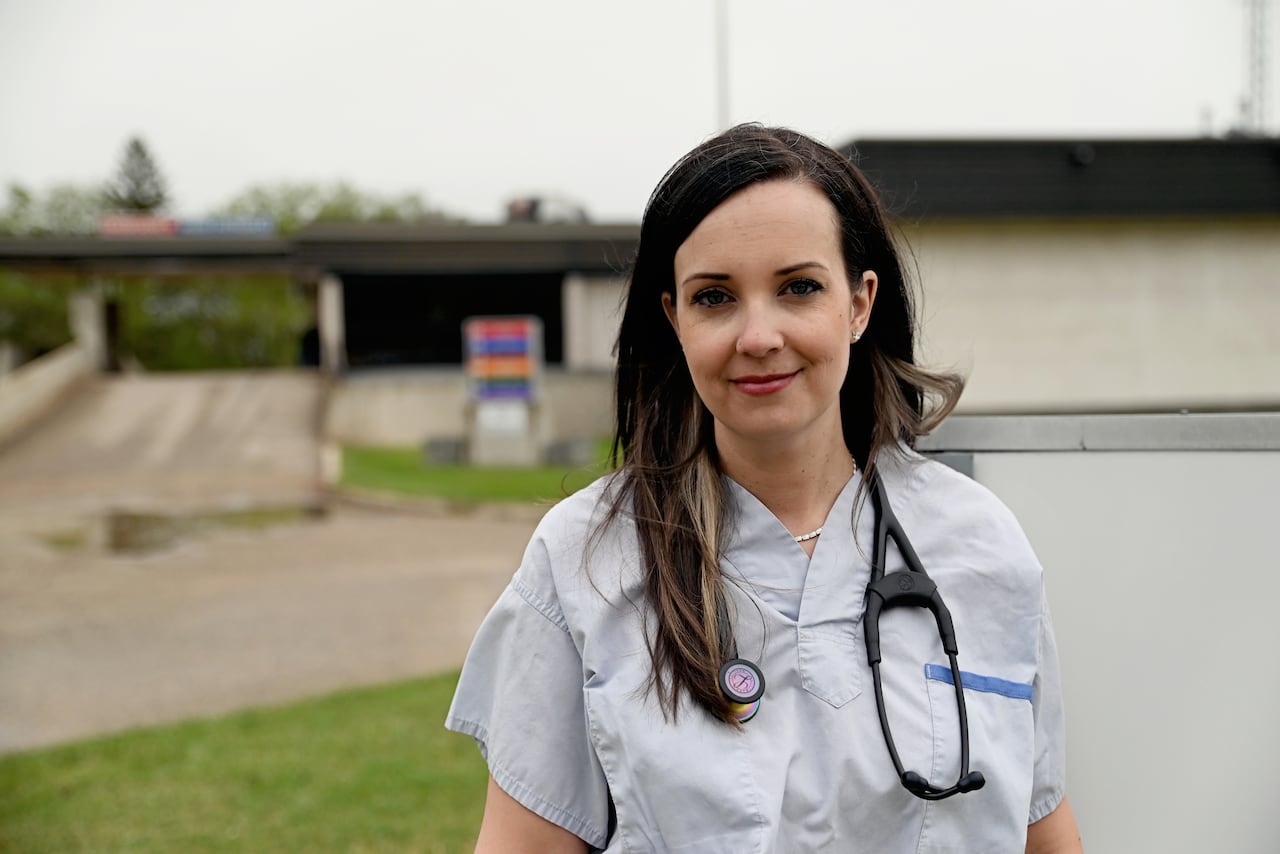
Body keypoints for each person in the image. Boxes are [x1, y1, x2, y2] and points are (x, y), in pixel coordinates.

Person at [446, 124, 1083, 853]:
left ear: (859, 302)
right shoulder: (584, 558)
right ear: (674, 318)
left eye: (798, 288)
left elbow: (1045, 830)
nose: (758, 335)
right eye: (714, 297)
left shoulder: (980, 543)